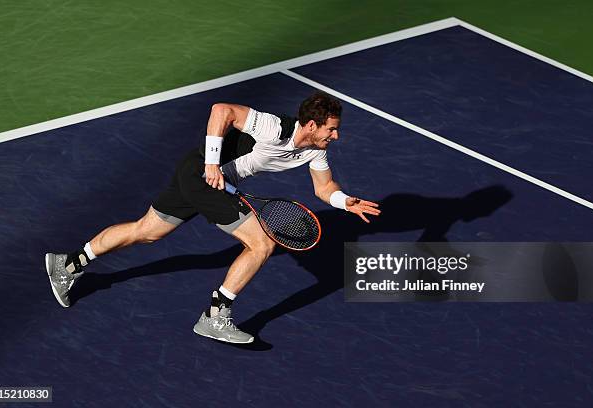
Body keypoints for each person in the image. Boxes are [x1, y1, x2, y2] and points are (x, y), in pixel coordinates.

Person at [45, 91, 381, 344]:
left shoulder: (315, 149)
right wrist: (211, 163)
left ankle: (68, 264)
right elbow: (221, 110)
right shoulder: (274, 127)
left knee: (146, 231)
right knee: (261, 244)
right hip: (204, 174)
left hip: (204, 177)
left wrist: (343, 200)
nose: (335, 136)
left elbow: (324, 187)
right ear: (312, 124)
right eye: (332, 129)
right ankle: (215, 316)